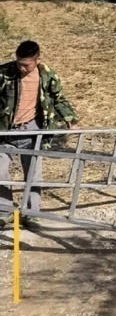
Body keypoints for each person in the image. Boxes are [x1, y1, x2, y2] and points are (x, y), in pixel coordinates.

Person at [0, 40, 79, 230]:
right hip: (5, 131)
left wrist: (70, 119)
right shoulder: (4, 73)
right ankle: (5, 212)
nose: (21, 67)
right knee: (0, 173)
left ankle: (31, 213)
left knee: (33, 174)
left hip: (32, 131)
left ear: (37, 60)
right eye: (19, 62)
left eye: (26, 64)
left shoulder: (47, 76)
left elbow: (58, 99)